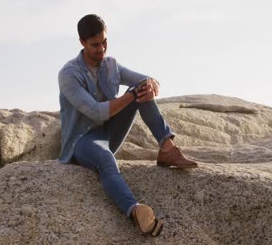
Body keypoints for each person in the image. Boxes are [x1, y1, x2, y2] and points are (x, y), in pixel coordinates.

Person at [57, 14, 198, 237]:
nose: (101, 49)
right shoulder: (68, 74)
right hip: (82, 141)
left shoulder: (111, 65)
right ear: (82, 42)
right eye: (95, 45)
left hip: (109, 133)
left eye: (104, 42)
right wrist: (131, 95)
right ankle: (136, 210)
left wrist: (152, 85)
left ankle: (167, 148)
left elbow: (147, 80)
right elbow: (94, 110)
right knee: (106, 158)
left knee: (142, 89)